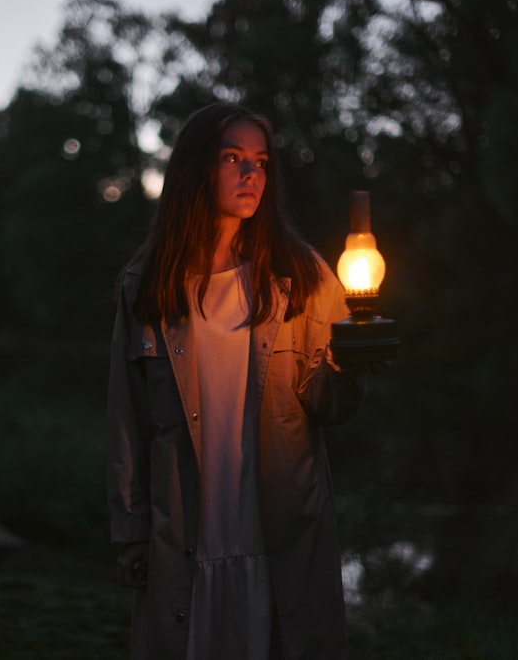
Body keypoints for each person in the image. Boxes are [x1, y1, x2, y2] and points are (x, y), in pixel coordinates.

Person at [105, 102, 368, 660]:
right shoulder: (146, 286)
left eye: (261, 162)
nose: (251, 174)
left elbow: (329, 404)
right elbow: (126, 419)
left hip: (279, 538)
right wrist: (130, 529)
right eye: (233, 158)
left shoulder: (301, 276)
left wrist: (352, 365)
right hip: (184, 541)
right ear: (198, 170)